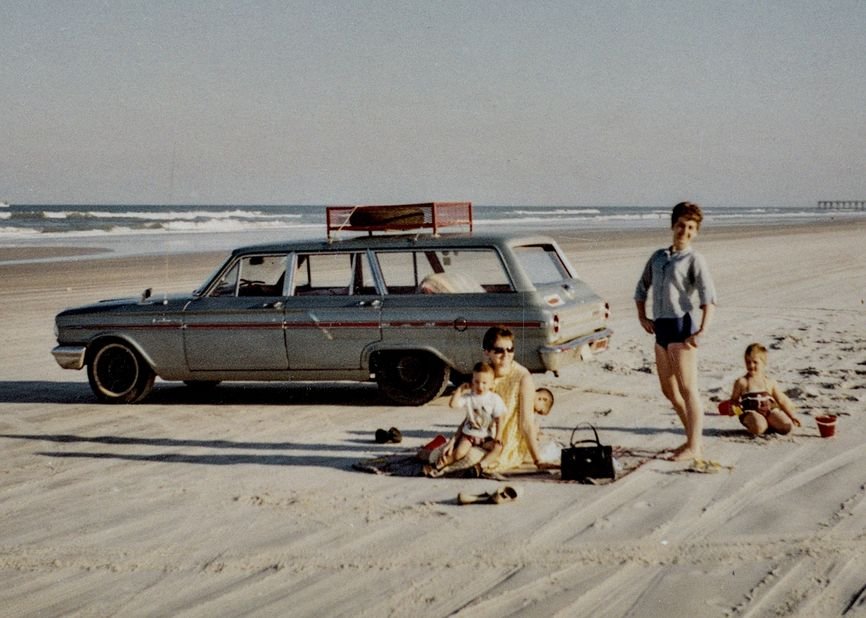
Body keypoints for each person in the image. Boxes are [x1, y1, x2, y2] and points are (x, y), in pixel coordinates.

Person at [635, 201, 717, 461]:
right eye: (681, 225)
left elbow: (708, 297)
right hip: (660, 329)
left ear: (696, 232)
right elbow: (641, 288)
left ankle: (694, 445)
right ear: (673, 225)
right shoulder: (658, 257)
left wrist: (701, 330)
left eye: (691, 227)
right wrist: (642, 318)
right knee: (669, 391)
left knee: (688, 389)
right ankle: (691, 439)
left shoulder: (695, 259)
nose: (685, 231)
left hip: (682, 327)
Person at [427, 362, 506, 474]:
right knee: (459, 453)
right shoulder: (469, 397)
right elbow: (453, 404)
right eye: (476, 382)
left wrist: (498, 435)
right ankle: (439, 465)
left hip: (486, 436)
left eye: (484, 383)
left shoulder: (494, 399)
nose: (480, 386)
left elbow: (500, 418)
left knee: (498, 448)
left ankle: (481, 466)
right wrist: (459, 390)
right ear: (472, 382)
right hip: (469, 435)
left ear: (492, 384)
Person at [729, 343, 800, 435]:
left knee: (786, 427)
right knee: (758, 427)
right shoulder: (742, 382)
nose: (751, 365)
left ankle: (768, 424)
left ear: (763, 363)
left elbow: (781, 400)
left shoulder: (769, 382)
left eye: (755, 362)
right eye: (748, 362)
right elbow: (734, 401)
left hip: (769, 412)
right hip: (750, 414)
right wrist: (736, 411)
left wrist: (792, 416)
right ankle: (758, 426)